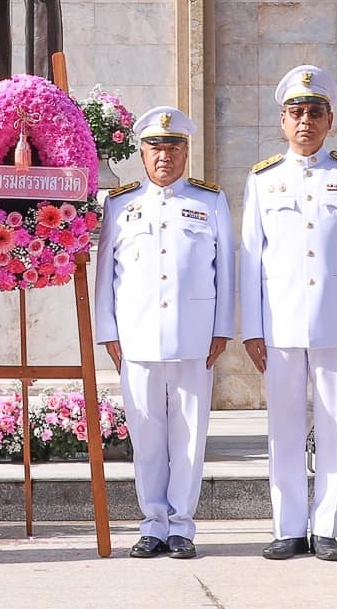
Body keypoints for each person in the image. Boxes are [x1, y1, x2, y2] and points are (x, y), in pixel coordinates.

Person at [238, 64, 337, 561]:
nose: (305, 122)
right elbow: (250, 259)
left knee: (335, 427)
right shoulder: (263, 179)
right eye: (296, 113)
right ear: (282, 120)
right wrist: (252, 328)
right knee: (284, 428)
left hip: (336, 323)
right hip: (279, 324)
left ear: (330, 120)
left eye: (315, 113)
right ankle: (289, 527)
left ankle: (328, 528)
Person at [93, 106, 234, 559]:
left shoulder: (210, 201)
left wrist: (222, 328)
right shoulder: (120, 204)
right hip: (136, 338)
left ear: (186, 152)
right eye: (155, 147)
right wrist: (108, 330)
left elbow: (225, 270)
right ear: (141, 152)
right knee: (147, 436)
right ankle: (153, 523)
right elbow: (105, 275)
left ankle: (182, 527)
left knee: (189, 436)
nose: (164, 156)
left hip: (194, 337)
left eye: (173, 147)